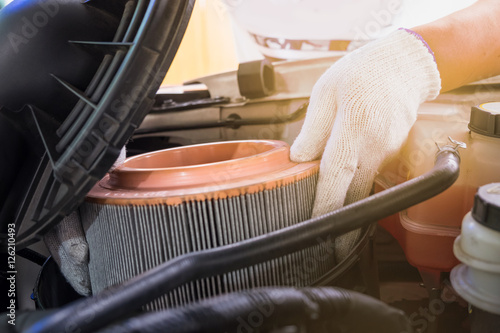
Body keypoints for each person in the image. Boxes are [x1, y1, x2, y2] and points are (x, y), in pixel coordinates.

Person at [46, 0, 500, 295]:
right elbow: (92, 16)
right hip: (274, 83)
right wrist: (78, 118)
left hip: (444, 59)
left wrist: (419, 57)